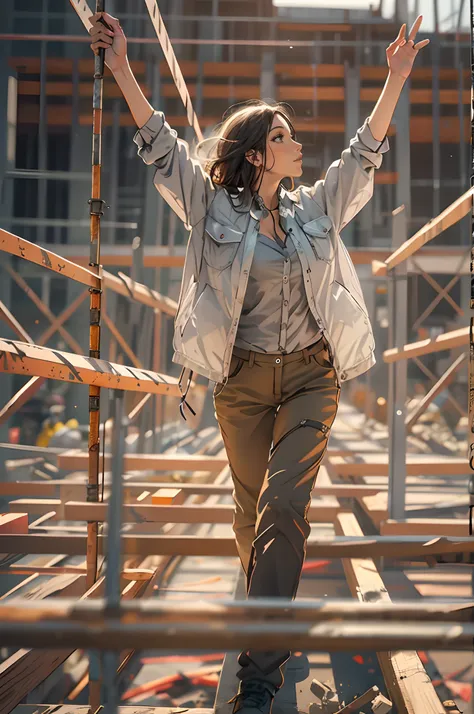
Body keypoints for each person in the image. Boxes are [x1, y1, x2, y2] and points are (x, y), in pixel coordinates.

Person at [90, 14, 429, 714]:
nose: (297, 144)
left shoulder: (314, 212)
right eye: (283, 137)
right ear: (255, 156)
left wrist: (395, 78)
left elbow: (363, 154)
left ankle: (260, 678)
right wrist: (123, 65)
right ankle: (267, 614)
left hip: (311, 377)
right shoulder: (211, 208)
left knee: (283, 505)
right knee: (254, 525)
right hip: (241, 386)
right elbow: (162, 149)